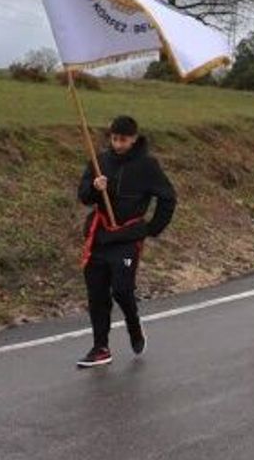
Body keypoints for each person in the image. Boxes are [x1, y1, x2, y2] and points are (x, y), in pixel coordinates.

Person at [75, 116, 176, 368]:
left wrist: (152, 228)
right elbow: (83, 196)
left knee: (121, 289)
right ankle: (101, 347)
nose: (118, 144)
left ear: (133, 138)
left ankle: (134, 324)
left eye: (123, 139)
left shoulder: (148, 166)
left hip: (128, 237)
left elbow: (168, 198)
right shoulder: (100, 162)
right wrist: (94, 187)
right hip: (100, 236)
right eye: (114, 139)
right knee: (97, 294)